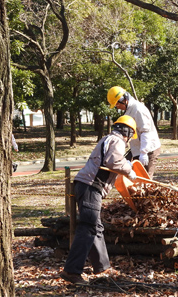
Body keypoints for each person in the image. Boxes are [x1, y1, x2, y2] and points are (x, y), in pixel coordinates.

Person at [60, 115, 138, 285]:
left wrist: (126, 164)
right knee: (88, 227)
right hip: (90, 187)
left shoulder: (108, 139)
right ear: (128, 132)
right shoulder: (117, 141)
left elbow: (112, 162)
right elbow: (113, 162)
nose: (129, 139)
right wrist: (129, 170)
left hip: (87, 185)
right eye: (131, 135)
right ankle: (71, 271)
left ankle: (102, 267)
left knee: (96, 227)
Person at [107, 86, 161, 178]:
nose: (117, 107)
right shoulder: (129, 110)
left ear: (124, 100)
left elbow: (145, 131)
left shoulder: (138, 109)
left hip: (148, 149)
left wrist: (144, 153)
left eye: (117, 104)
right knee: (137, 179)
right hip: (138, 149)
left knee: (145, 180)